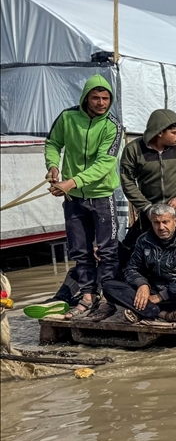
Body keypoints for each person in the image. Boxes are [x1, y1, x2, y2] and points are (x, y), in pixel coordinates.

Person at [43, 75, 123, 319]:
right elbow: (53, 143)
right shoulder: (68, 117)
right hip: (74, 198)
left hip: (101, 194)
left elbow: (105, 163)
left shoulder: (113, 126)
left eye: (105, 98)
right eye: (96, 97)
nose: (101, 103)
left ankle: (108, 297)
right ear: (86, 97)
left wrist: (71, 181)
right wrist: (53, 166)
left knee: (108, 249)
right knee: (80, 250)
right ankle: (87, 296)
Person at [102, 204, 176, 324]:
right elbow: (131, 268)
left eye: (165, 222)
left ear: (175, 221)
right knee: (109, 287)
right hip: (151, 290)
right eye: (156, 222)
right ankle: (162, 314)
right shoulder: (144, 240)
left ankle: (143, 310)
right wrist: (142, 284)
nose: (161, 227)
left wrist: (162, 296)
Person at [120, 109, 176, 245]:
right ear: (159, 132)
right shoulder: (134, 150)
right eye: (174, 133)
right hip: (150, 210)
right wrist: (146, 207)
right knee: (150, 249)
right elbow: (127, 182)